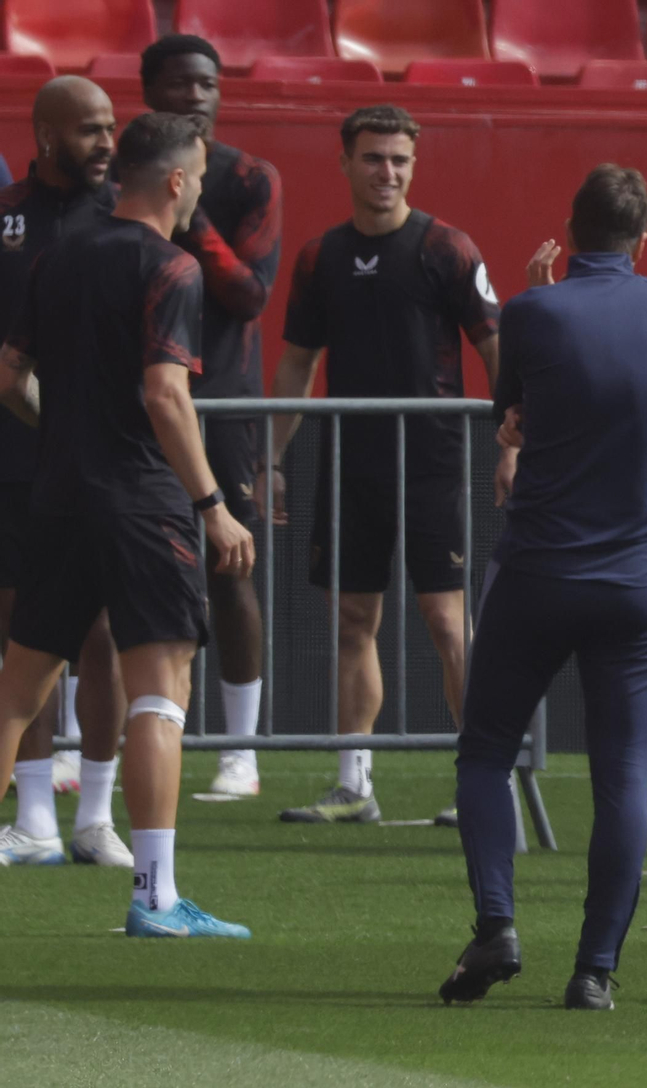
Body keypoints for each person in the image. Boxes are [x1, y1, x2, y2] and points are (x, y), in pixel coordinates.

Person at [438, 164, 647, 1011]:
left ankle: (497, 924)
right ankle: (595, 971)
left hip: (541, 570)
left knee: (484, 748)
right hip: (638, 583)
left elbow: (512, 411)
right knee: (623, 775)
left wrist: (536, 301)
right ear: (643, 239)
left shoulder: (534, 311)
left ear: (571, 232)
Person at [0, 110, 255, 935]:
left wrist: (64, 431)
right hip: (144, 504)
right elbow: (164, 395)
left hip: (56, 494)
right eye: (199, 183)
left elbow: (9, 377)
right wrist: (213, 504)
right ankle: (155, 896)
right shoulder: (171, 267)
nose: (197, 200)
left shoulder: (56, 256)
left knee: (15, 693)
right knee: (161, 695)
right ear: (176, 179)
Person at [268, 105, 499, 826]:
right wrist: (270, 460)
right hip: (350, 464)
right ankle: (353, 784)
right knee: (351, 619)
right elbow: (298, 366)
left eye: (400, 160)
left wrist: (517, 442)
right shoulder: (319, 257)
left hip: (433, 464)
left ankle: (479, 783)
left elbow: (500, 352)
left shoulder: (448, 248)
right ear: (345, 161)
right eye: (374, 158)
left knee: (445, 620)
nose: (387, 172)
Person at [141, 34, 282, 798]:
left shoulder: (251, 177)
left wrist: (186, 206)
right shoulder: (123, 179)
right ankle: (72, 741)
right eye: (180, 85)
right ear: (151, 92)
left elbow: (250, 295)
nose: (197, 97)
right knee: (104, 566)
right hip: (135, 396)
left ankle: (240, 752)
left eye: (208, 85)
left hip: (222, 399)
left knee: (231, 565)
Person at [0, 76, 131, 869]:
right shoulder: (4, 216)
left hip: (106, 466)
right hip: (14, 462)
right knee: (24, 636)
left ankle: (98, 817)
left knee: (106, 636)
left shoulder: (127, 216)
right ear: (47, 135)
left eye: (111, 127)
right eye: (88, 129)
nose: (106, 141)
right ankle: (37, 819)